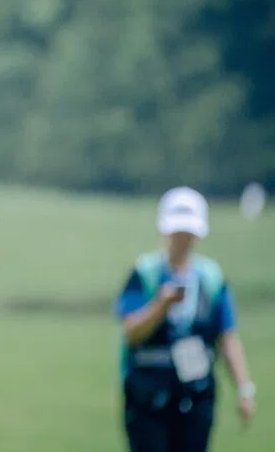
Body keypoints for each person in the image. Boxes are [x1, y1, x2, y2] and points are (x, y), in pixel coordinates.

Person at [115, 186, 256, 452]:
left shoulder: (211, 278)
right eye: (178, 232)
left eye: (188, 233)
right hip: (147, 398)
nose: (182, 239)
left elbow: (227, 337)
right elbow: (131, 331)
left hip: (196, 396)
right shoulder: (144, 274)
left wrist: (244, 388)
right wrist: (161, 306)